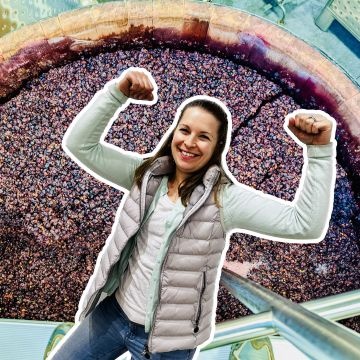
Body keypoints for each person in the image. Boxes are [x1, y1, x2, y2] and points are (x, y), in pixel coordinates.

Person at [48, 67, 337, 360]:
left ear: (216, 147)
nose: (189, 142)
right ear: (174, 132)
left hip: (167, 341)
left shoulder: (225, 198)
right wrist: (116, 94)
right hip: (114, 313)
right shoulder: (146, 176)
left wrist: (320, 152)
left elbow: (305, 224)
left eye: (203, 137)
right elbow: (79, 145)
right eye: (184, 130)